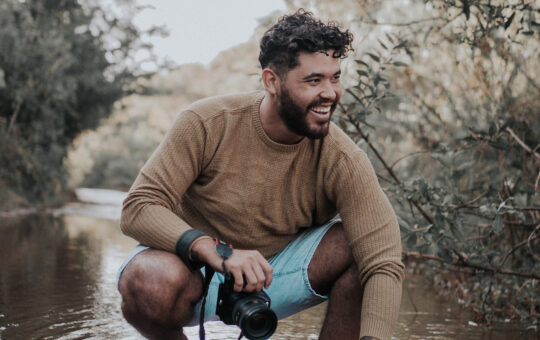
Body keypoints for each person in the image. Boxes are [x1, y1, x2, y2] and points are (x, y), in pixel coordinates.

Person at [117, 9, 404, 340]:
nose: (330, 93)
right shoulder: (205, 123)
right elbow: (137, 207)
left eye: (335, 78)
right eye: (314, 80)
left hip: (275, 279)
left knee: (363, 249)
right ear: (272, 82)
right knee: (148, 280)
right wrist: (216, 251)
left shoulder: (343, 158)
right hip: (193, 272)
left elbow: (384, 263)